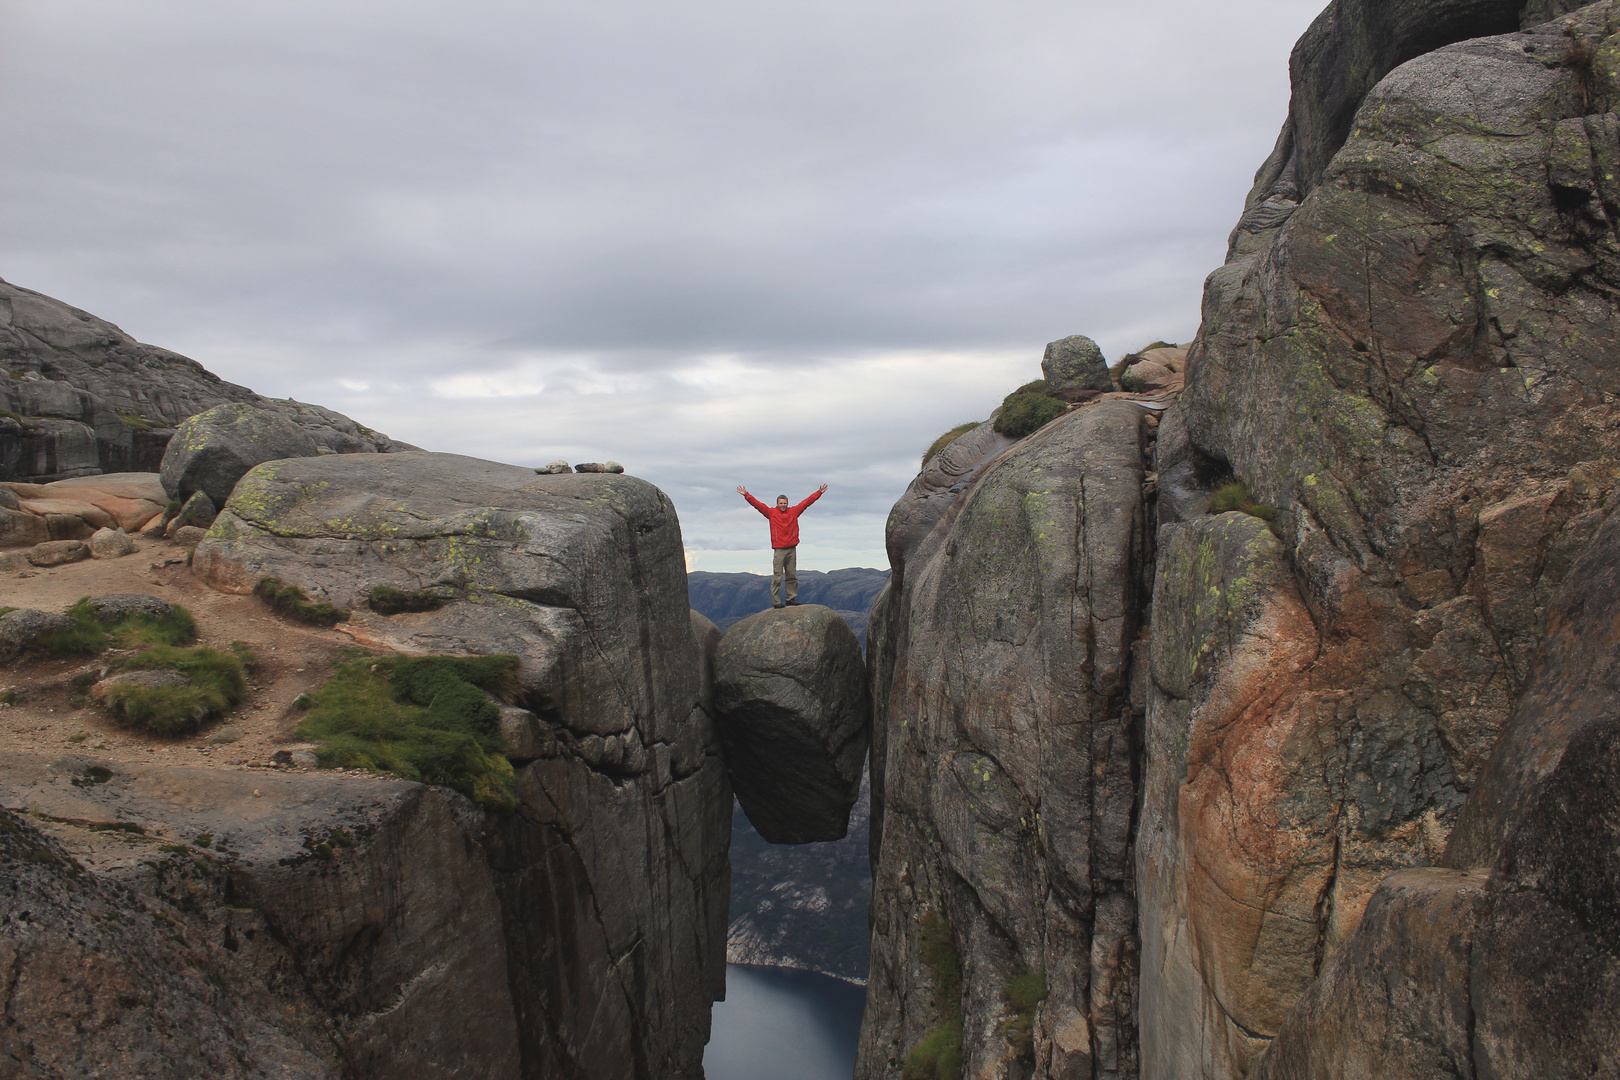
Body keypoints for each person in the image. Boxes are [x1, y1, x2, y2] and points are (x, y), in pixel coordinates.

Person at [737, 483, 828, 608]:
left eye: (785, 503)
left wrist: (819, 493)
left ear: (787, 503)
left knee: (791, 576)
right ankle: (776, 601)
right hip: (779, 550)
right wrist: (746, 495)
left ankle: (790, 599)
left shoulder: (794, 511)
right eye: (781, 503)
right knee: (777, 577)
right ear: (777, 504)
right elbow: (758, 505)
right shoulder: (771, 513)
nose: (783, 505)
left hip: (792, 548)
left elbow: (807, 502)